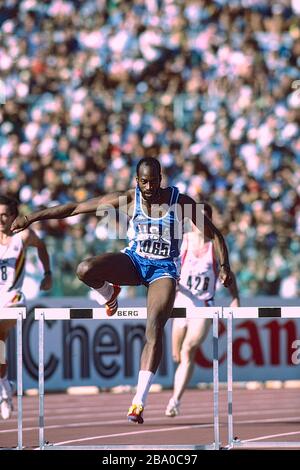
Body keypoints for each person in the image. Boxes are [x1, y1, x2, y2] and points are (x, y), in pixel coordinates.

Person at [11, 157, 232, 424]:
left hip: (163, 270)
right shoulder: (129, 199)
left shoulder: (180, 202)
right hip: (135, 262)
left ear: (161, 178)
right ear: (136, 181)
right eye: (144, 181)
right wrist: (31, 217)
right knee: (85, 269)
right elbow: (75, 209)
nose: (149, 186)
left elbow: (216, 234)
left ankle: (139, 401)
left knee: (154, 326)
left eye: (153, 180)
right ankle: (109, 293)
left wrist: (224, 266)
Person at [165, 203, 240, 417]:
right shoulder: (182, 242)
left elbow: (228, 274)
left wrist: (235, 297)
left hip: (204, 305)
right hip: (181, 302)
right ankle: (177, 391)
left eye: (206, 218)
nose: (201, 223)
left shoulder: (214, 247)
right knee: (177, 355)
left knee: (189, 350)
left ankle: (175, 401)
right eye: (198, 218)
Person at [0, 195, 52, 420]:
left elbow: (42, 247)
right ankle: (4, 388)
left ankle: (4, 387)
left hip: (14, 298)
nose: (0, 219)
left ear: (13, 216)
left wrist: (47, 273)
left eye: (4, 215)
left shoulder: (23, 236)